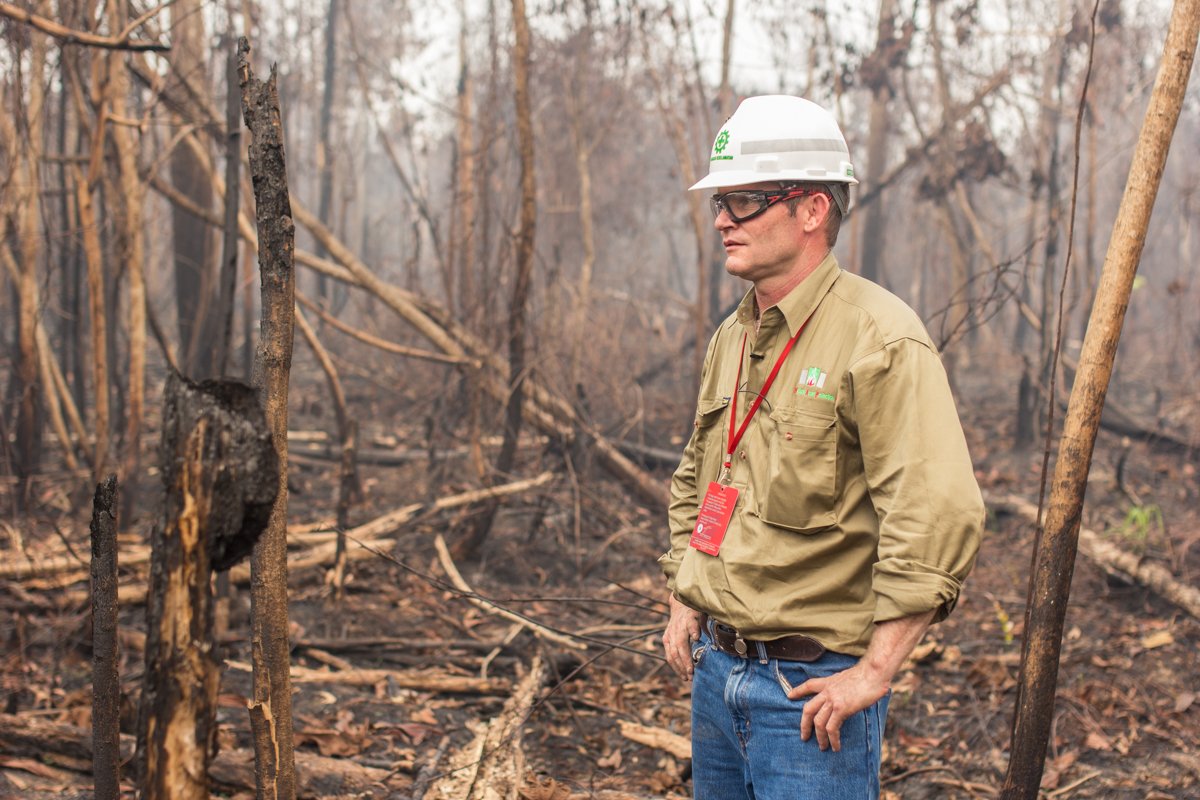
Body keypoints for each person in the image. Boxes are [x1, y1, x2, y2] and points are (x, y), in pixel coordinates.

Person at [659, 95, 984, 799]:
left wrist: (875, 671)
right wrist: (687, 593)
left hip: (810, 694)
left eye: (742, 200)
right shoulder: (733, 336)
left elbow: (937, 513)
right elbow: (701, 475)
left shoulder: (880, 339)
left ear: (811, 211)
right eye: (721, 200)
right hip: (716, 676)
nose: (721, 219)